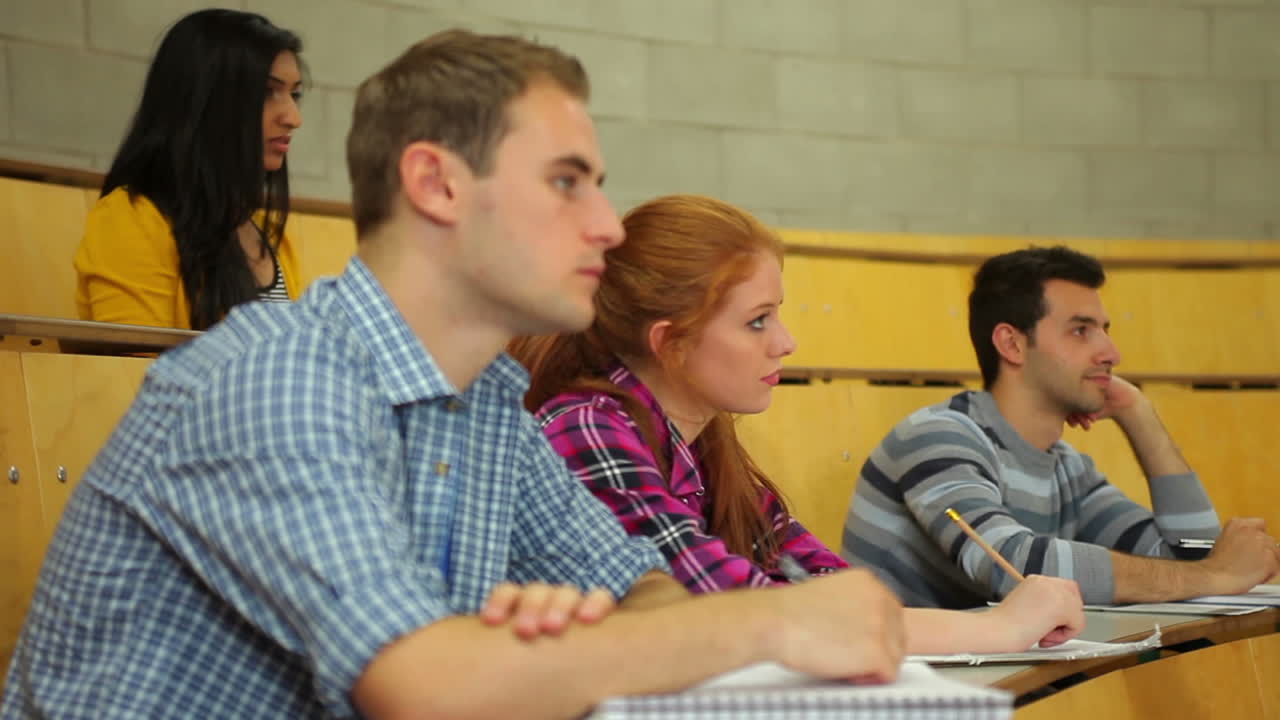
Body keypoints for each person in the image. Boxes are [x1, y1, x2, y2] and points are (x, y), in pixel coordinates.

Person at [2, 31, 914, 720]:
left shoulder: (487, 410)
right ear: (436, 185)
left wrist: (582, 636)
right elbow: (429, 687)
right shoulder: (277, 377)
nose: (606, 226)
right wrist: (771, 622)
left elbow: (648, 586)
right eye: (567, 183)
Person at [512, 194, 1084, 656]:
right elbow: (731, 608)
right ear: (669, 342)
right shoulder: (587, 428)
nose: (786, 343)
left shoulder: (707, 440)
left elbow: (835, 588)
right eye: (758, 321)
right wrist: (999, 629)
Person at [842, 245, 1280, 608]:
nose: (1111, 352)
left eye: (1104, 330)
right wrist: (1214, 575)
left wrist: (1138, 416)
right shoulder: (937, 436)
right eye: (1081, 331)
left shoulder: (1069, 470)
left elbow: (1190, 559)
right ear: (1012, 344)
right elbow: (1013, 566)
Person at [74, 8, 305, 331]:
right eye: (268, 92)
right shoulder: (133, 218)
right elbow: (130, 370)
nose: (294, 117)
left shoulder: (270, 233)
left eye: (294, 94)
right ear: (206, 100)